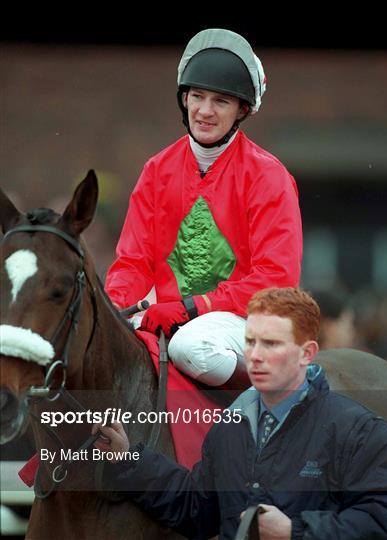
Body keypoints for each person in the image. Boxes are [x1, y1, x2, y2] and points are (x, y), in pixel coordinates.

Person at [93, 287, 387, 540]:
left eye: (271, 344)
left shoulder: (357, 429)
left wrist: (294, 531)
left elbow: (386, 520)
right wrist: (127, 459)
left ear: (306, 353)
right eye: (250, 342)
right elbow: (197, 509)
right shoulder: (231, 429)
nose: (256, 355)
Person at [104, 28, 302, 392]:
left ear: (242, 109)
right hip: (167, 319)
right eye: (197, 97)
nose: (205, 111)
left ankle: (277, 398)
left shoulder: (269, 176)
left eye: (221, 102)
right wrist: (111, 310)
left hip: (248, 324)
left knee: (191, 346)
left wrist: (194, 307)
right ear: (184, 99)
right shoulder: (156, 170)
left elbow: (276, 278)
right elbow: (132, 263)